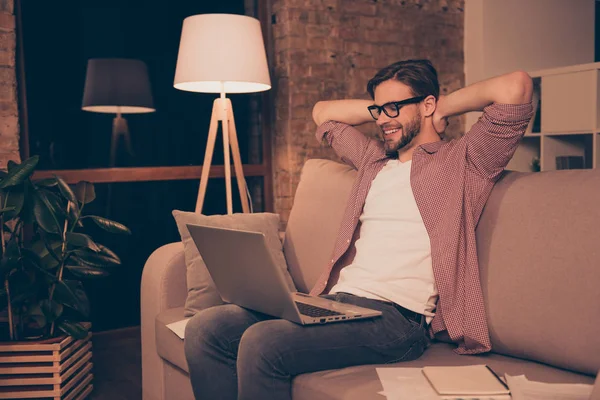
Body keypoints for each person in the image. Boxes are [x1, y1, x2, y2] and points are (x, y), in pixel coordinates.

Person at [184, 59, 533, 400]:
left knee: (264, 343)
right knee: (206, 328)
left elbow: (515, 86)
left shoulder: (464, 160)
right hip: (336, 304)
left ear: (427, 104)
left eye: (394, 107)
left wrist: (440, 108)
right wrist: (387, 108)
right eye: (379, 111)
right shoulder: (373, 160)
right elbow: (322, 112)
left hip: (397, 320)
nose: (383, 119)